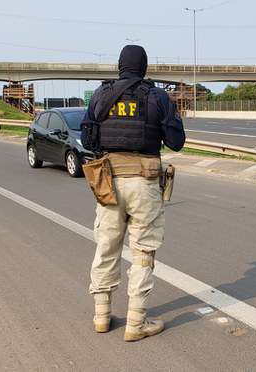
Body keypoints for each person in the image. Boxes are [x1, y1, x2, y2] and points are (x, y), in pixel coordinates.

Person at [81, 45, 185, 341]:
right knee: (142, 252)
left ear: (119, 66)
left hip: (109, 181)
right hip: (145, 182)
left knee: (106, 246)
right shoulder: (157, 97)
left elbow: (88, 138)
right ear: (144, 67)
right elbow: (177, 141)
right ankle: (136, 323)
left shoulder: (101, 95)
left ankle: (102, 316)